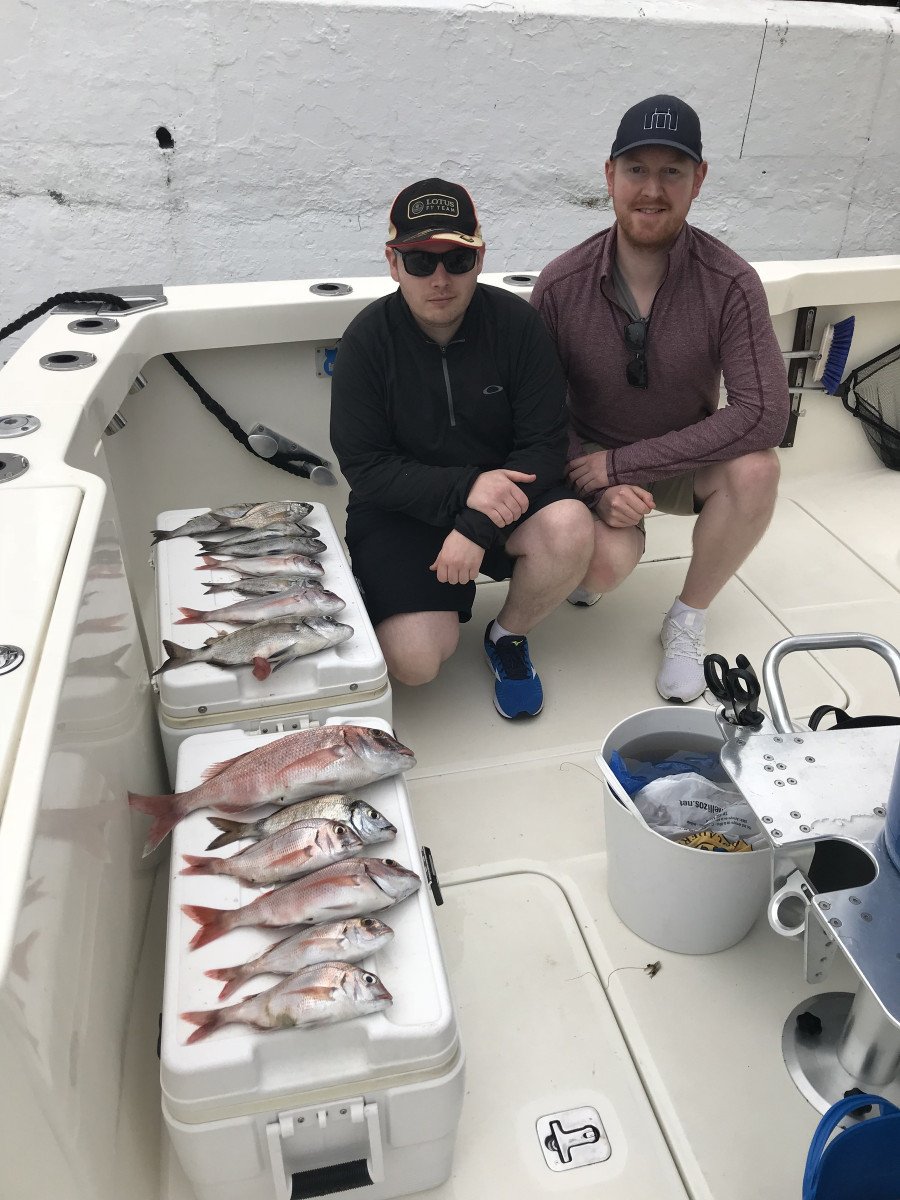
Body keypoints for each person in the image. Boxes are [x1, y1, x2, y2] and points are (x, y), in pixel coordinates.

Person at [531, 95, 790, 703]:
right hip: (588, 454)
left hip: (676, 457)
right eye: (636, 170)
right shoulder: (560, 284)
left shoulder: (731, 283)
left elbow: (763, 412)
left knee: (757, 470)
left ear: (699, 180)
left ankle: (687, 618)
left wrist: (625, 467)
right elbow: (533, 407)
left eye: (672, 171)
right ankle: (595, 553)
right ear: (609, 176)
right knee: (602, 566)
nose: (652, 189)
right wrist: (597, 482)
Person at [330, 177, 594, 719]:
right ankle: (391, 592)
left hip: (502, 501)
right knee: (416, 663)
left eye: (457, 258)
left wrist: (476, 525)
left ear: (480, 257)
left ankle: (507, 635)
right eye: (421, 261)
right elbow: (365, 465)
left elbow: (544, 445)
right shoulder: (366, 341)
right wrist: (465, 488)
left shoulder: (518, 326)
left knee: (572, 527)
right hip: (403, 509)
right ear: (392, 262)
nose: (441, 278)